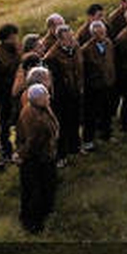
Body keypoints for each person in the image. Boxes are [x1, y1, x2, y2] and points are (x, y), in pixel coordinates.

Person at [17, 83, 58, 233]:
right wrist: (21, 156)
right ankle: (32, 223)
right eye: (46, 96)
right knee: (35, 191)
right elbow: (32, 144)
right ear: (38, 100)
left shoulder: (35, 108)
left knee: (38, 189)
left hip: (42, 156)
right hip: (37, 160)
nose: (49, 97)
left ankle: (39, 213)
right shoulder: (36, 120)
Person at [44, 25, 85, 159]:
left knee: (75, 121)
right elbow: (56, 83)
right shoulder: (52, 57)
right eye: (68, 38)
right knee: (63, 125)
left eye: (72, 37)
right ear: (60, 40)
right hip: (62, 97)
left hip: (75, 91)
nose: (72, 40)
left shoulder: (76, 48)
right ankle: (61, 154)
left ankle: (75, 146)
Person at [0, 24, 22, 165]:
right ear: (8, 38)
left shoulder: (17, 48)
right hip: (5, 95)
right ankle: (6, 151)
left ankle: (19, 148)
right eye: (14, 36)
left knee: (20, 121)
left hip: (17, 92)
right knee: (5, 123)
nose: (16, 38)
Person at [79, 19, 117, 146]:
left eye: (103, 32)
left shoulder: (109, 44)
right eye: (98, 33)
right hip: (93, 87)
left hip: (108, 84)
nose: (101, 35)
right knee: (91, 115)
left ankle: (106, 134)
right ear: (93, 35)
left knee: (107, 112)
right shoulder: (86, 50)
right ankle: (88, 140)